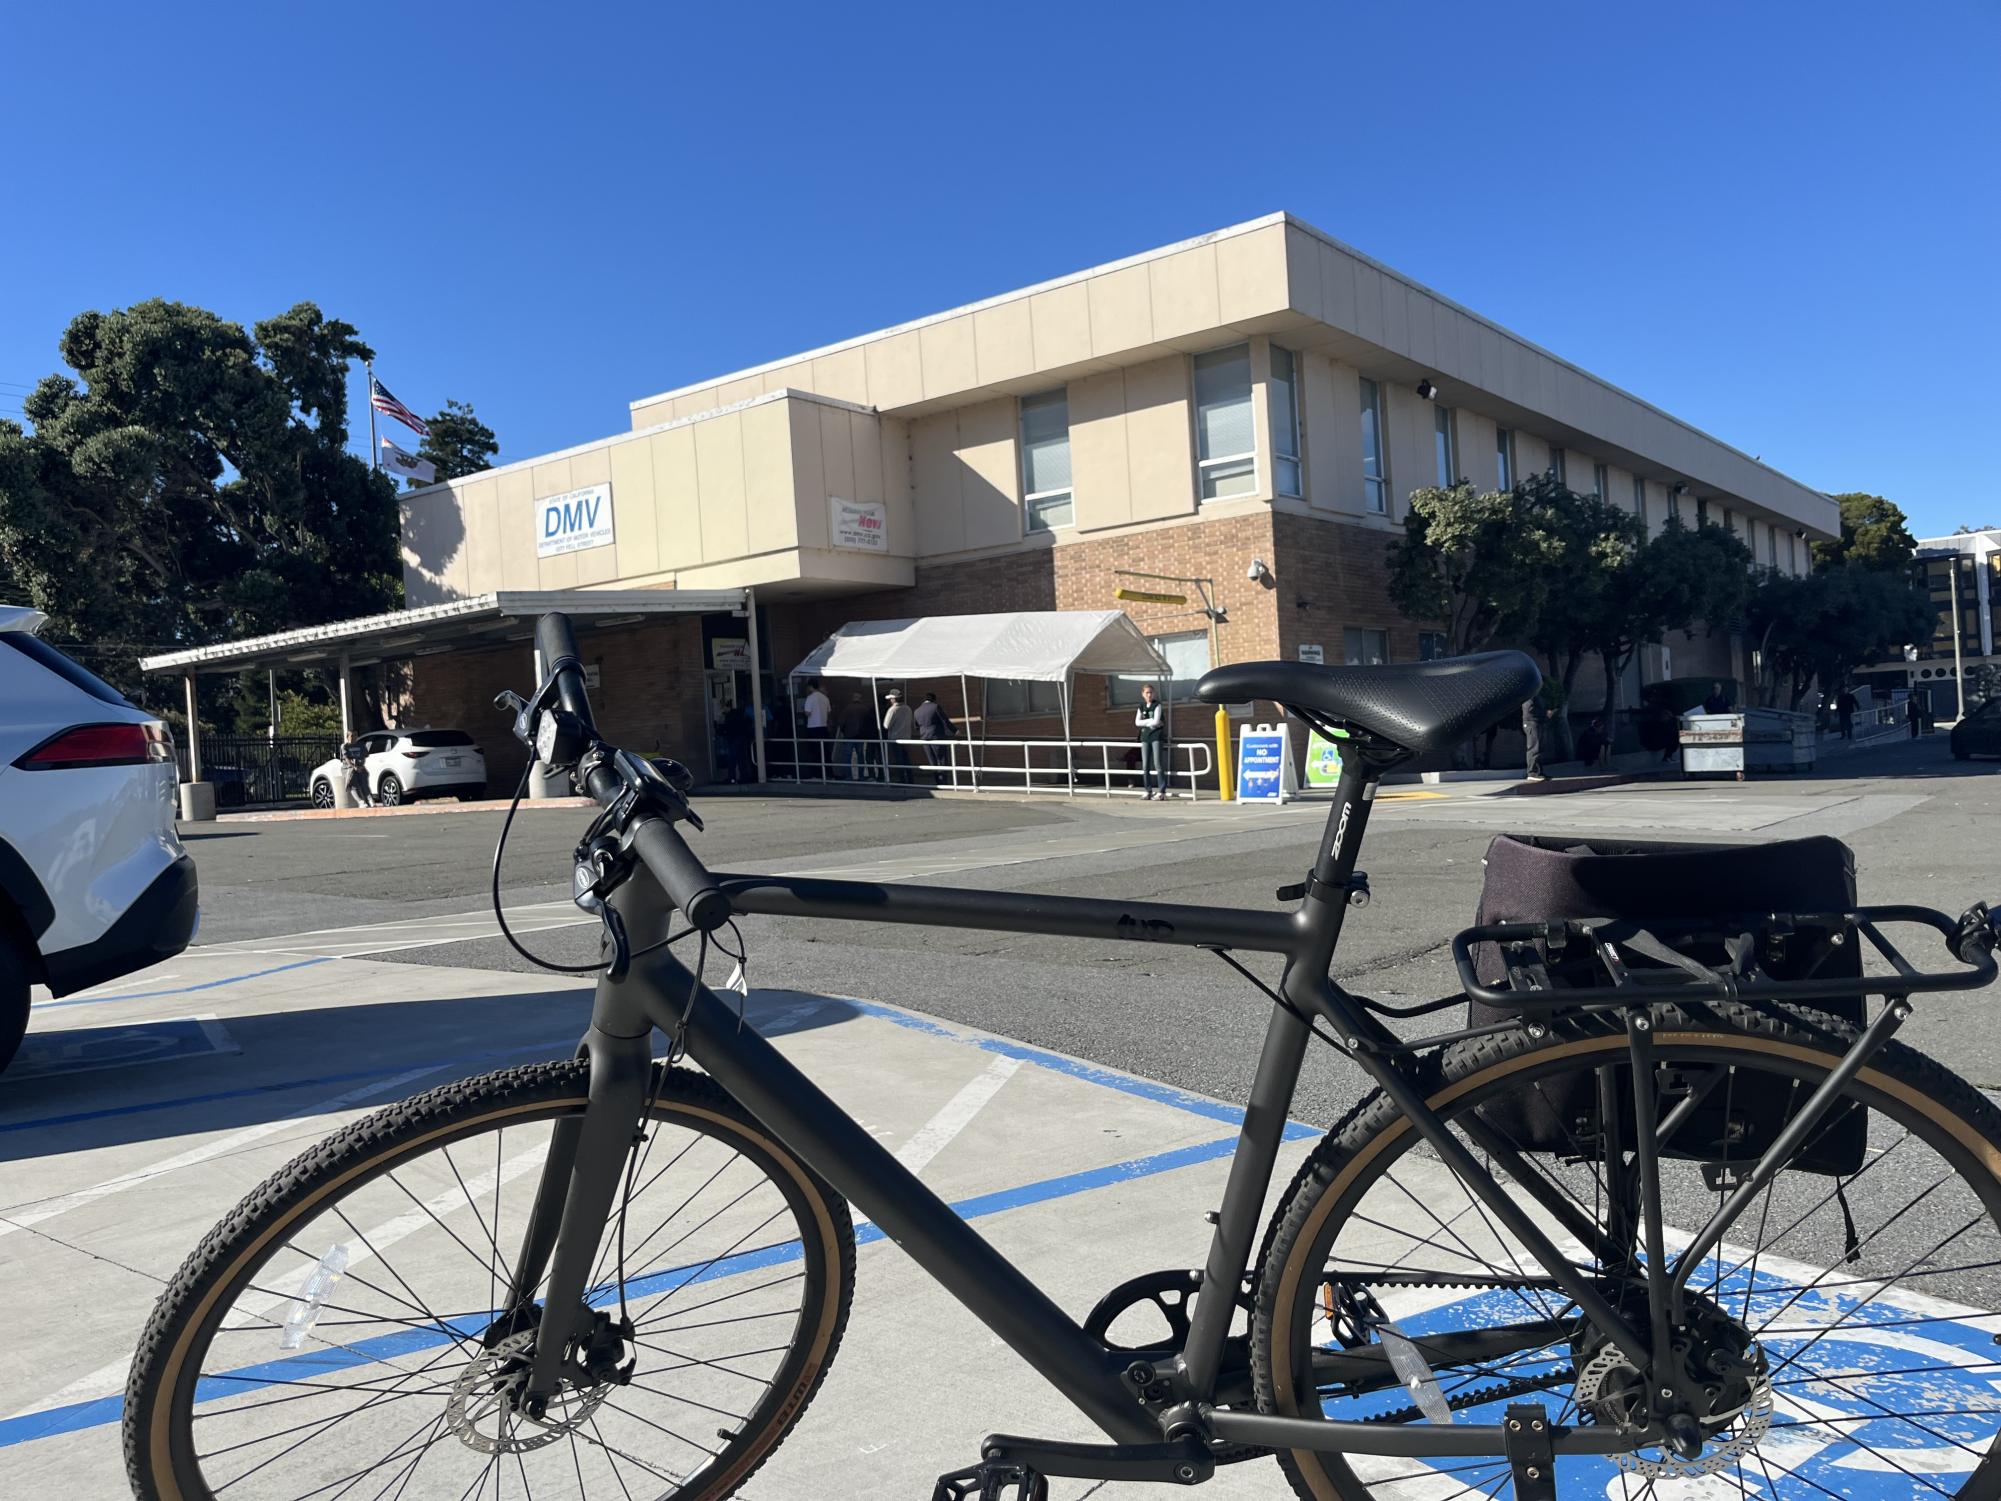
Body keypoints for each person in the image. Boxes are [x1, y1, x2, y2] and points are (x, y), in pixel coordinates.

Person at [1135, 682, 1169, 800]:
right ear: (1143, 694)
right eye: (1147, 693)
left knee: (1158, 764)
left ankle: (1162, 792)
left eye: (1151, 692)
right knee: (1145, 766)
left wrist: (1150, 722)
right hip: (1145, 737)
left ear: (1154, 693)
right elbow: (1137, 722)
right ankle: (1148, 790)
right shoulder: (1141, 706)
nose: (1149, 695)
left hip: (1156, 737)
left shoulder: (1157, 705)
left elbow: (1157, 721)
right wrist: (1151, 721)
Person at [834, 691, 872, 780]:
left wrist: (844, 732)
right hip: (861, 736)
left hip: (849, 736)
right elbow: (868, 723)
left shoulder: (847, 708)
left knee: (847, 757)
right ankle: (861, 776)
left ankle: (849, 776)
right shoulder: (864, 709)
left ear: (853, 698)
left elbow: (841, 723)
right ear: (860, 699)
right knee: (861, 756)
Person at [882, 689, 916, 784]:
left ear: (894, 699)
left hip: (895, 738)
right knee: (907, 759)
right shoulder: (908, 708)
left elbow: (886, 725)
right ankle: (910, 778)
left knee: (899, 760)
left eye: (891, 698)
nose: (890, 700)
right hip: (907, 737)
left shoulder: (892, 709)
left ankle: (902, 779)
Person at [914, 691, 954, 769]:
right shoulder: (935, 707)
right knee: (942, 759)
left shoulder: (916, 710)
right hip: (936, 736)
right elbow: (945, 720)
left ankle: (937, 780)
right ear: (934, 700)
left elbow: (916, 727)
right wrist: (955, 731)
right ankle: (943, 780)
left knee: (932, 762)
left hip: (924, 738)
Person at [801, 678, 833, 776]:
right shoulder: (825, 698)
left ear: (810, 687)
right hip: (823, 727)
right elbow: (829, 712)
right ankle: (828, 773)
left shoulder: (810, 698)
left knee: (814, 752)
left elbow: (807, 713)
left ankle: (817, 773)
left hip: (813, 727)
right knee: (825, 751)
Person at [1521, 695, 1547, 782]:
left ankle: (1538, 772)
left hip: (1536, 721)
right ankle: (1532, 773)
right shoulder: (1530, 694)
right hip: (1531, 722)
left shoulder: (1536, 693)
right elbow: (1529, 709)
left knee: (1539, 747)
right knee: (1534, 747)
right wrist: (1544, 713)